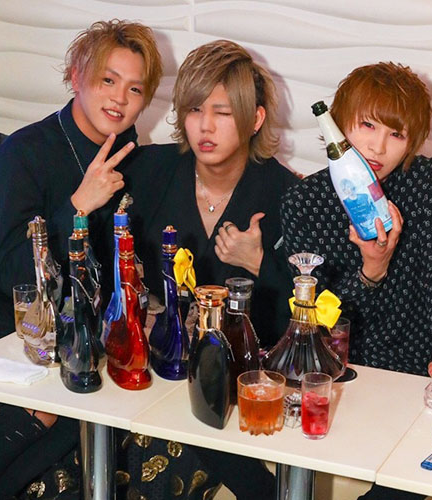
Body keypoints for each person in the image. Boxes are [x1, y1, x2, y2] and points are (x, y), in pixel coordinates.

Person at [0, 19, 163, 499]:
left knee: (103, 392)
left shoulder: (133, 158)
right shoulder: (23, 152)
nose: (119, 99)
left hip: (73, 320)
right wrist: (79, 204)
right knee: (63, 394)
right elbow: (18, 275)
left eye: (135, 88)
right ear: (76, 76)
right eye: (107, 80)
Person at [281, 62, 432, 500]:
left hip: (413, 359)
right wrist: (373, 269)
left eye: (396, 134)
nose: (378, 146)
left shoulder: (426, 181)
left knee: (409, 477)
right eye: (367, 125)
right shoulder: (304, 200)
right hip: (338, 368)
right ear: (339, 123)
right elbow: (312, 317)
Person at [115, 39, 298, 499]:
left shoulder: (287, 195)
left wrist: (257, 262)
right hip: (152, 369)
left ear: (255, 119)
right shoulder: (149, 169)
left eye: (223, 112)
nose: (205, 126)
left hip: (230, 383)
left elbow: (302, 325)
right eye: (195, 110)